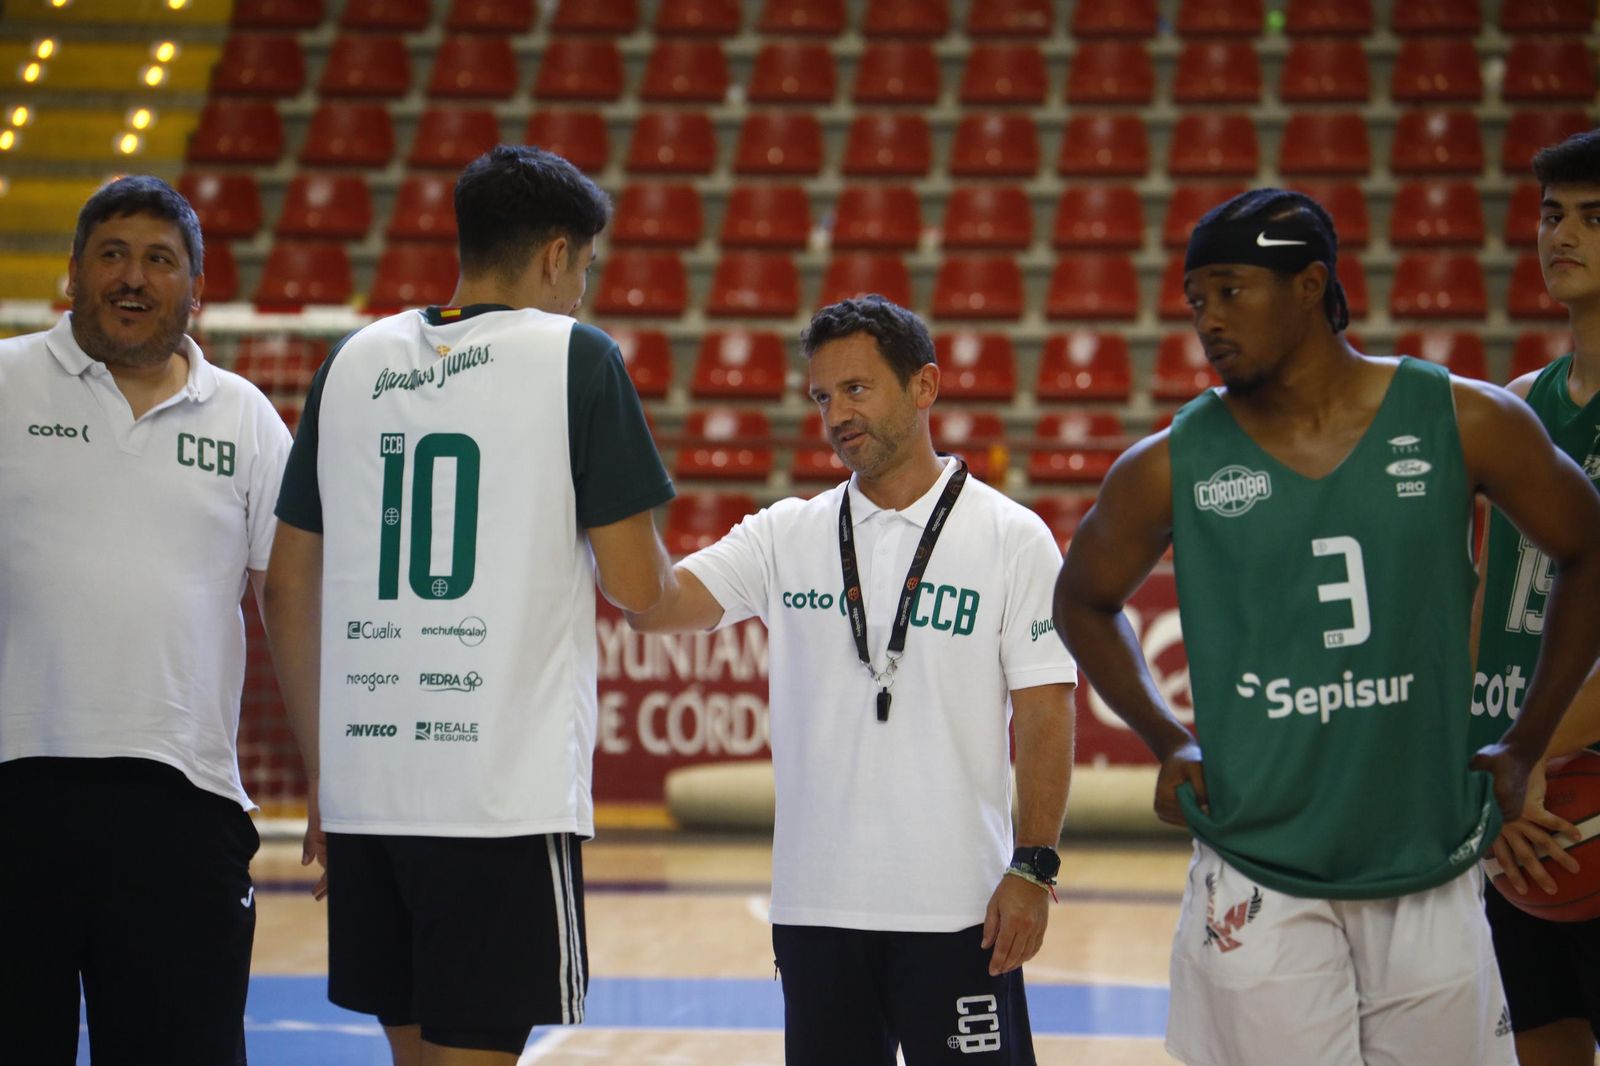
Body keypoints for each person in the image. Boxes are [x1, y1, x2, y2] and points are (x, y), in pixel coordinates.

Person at [1052, 187, 1600, 1066]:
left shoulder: (1463, 419)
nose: (1209, 320)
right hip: (1256, 862)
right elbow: (1080, 599)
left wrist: (1525, 741)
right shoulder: (1169, 464)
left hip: (1428, 854)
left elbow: (1588, 550)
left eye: (1232, 291)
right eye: (1198, 301)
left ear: (1310, 285)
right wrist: (1167, 738)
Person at [263, 145, 676, 1065]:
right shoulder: (578, 357)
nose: (583, 292)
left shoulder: (351, 360)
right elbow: (638, 587)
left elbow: (287, 584)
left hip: (368, 790)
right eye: (587, 270)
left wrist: (326, 772)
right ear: (556, 255)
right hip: (500, 798)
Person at [625, 295, 1077, 1065]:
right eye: (822, 397)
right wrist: (612, 493)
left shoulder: (1011, 537)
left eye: (857, 389)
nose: (836, 414)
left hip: (962, 912)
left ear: (925, 387)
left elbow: (1045, 713)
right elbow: (657, 605)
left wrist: (1033, 869)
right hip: (816, 912)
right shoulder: (784, 533)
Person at [0, 176, 291, 1064]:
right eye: (113, 255)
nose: (134, 277)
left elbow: (293, 604)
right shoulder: (5, 384)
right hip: (15, 791)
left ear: (193, 289)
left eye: (159, 260)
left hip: (185, 806)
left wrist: (338, 780)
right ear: (75, 274)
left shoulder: (245, 416)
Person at [1472, 128, 1600, 1066]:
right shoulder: (1519, 402)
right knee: (1542, 1042)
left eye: (1594, 218)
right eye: (1554, 214)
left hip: (1570, 772)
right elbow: (1490, 605)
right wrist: (1489, 764)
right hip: (1521, 784)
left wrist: (1528, 758)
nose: (1563, 235)